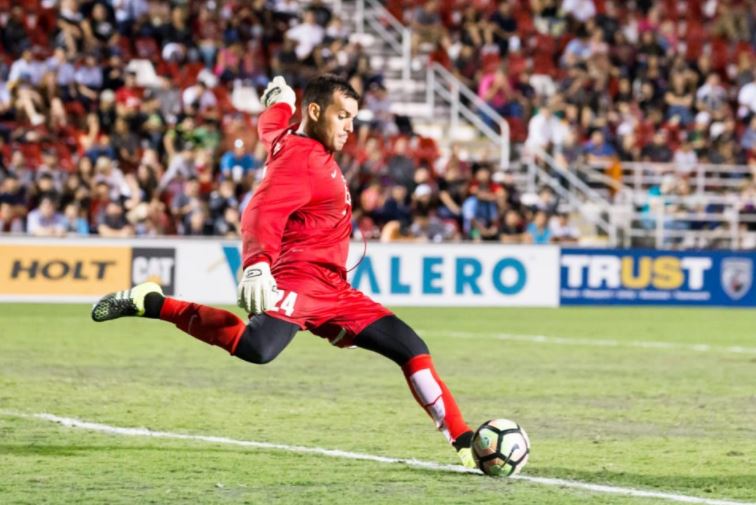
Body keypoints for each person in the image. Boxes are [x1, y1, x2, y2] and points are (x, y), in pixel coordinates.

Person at [91, 74, 476, 468]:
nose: (350, 128)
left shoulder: (291, 139)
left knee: (410, 348)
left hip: (334, 288)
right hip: (299, 279)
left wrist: (278, 102)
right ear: (314, 111)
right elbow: (262, 209)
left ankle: (463, 441)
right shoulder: (301, 158)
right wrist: (257, 265)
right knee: (258, 350)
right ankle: (152, 302)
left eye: (354, 119)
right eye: (343, 116)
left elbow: (270, 128)